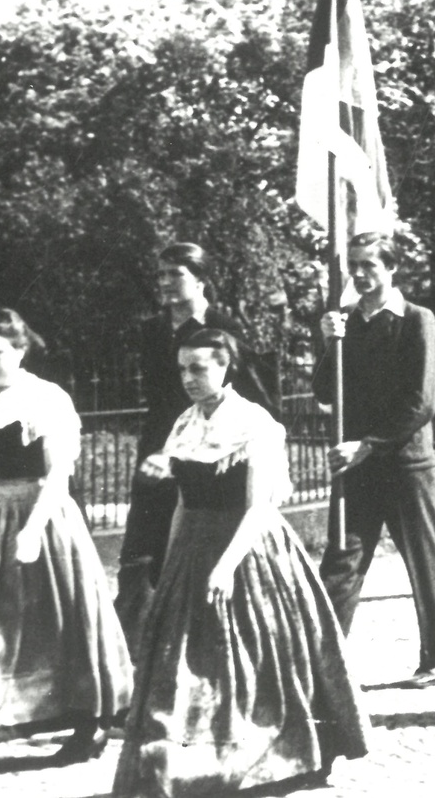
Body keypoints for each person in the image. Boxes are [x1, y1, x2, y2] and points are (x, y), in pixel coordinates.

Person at [114, 330, 367, 796]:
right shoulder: (185, 424)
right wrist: (173, 560)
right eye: (184, 368)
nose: (189, 377)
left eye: (200, 367)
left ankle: (277, 754)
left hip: (248, 551)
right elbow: (182, 503)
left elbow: (258, 509)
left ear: (226, 366)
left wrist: (226, 566)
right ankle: (184, 762)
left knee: (263, 656)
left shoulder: (256, 424)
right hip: (192, 548)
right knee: (183, 666)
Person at [0, 309, 132, 774]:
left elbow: (58, 473)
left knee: (56, 628)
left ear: (19, 351)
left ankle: (90, 723)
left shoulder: (45, 399)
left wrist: (31, 530)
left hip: (38, 523)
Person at [117, 242, 279, 647]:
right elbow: (156, 402)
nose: (166, 283)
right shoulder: (152, 329)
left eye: (176, 274)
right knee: (142, 547)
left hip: (217, 461)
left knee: (203, 551)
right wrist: (163, 451)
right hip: (165, 448)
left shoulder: (225, 327)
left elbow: (257, 395)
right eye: (161, 274)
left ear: (201, 279)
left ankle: (213, 643)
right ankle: (139, 653)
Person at [315, 232, 435, 689]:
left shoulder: (417, 320)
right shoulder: (348, 322)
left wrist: (368, 443)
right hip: (358, 466)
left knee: (421, 560)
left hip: (405, 462)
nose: (359, 274)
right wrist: (326, 344)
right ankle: (323, 665)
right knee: (342, 561)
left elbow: (422, 401)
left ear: (392, 267)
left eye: (369, 265)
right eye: (353, 264)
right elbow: (323, 394)